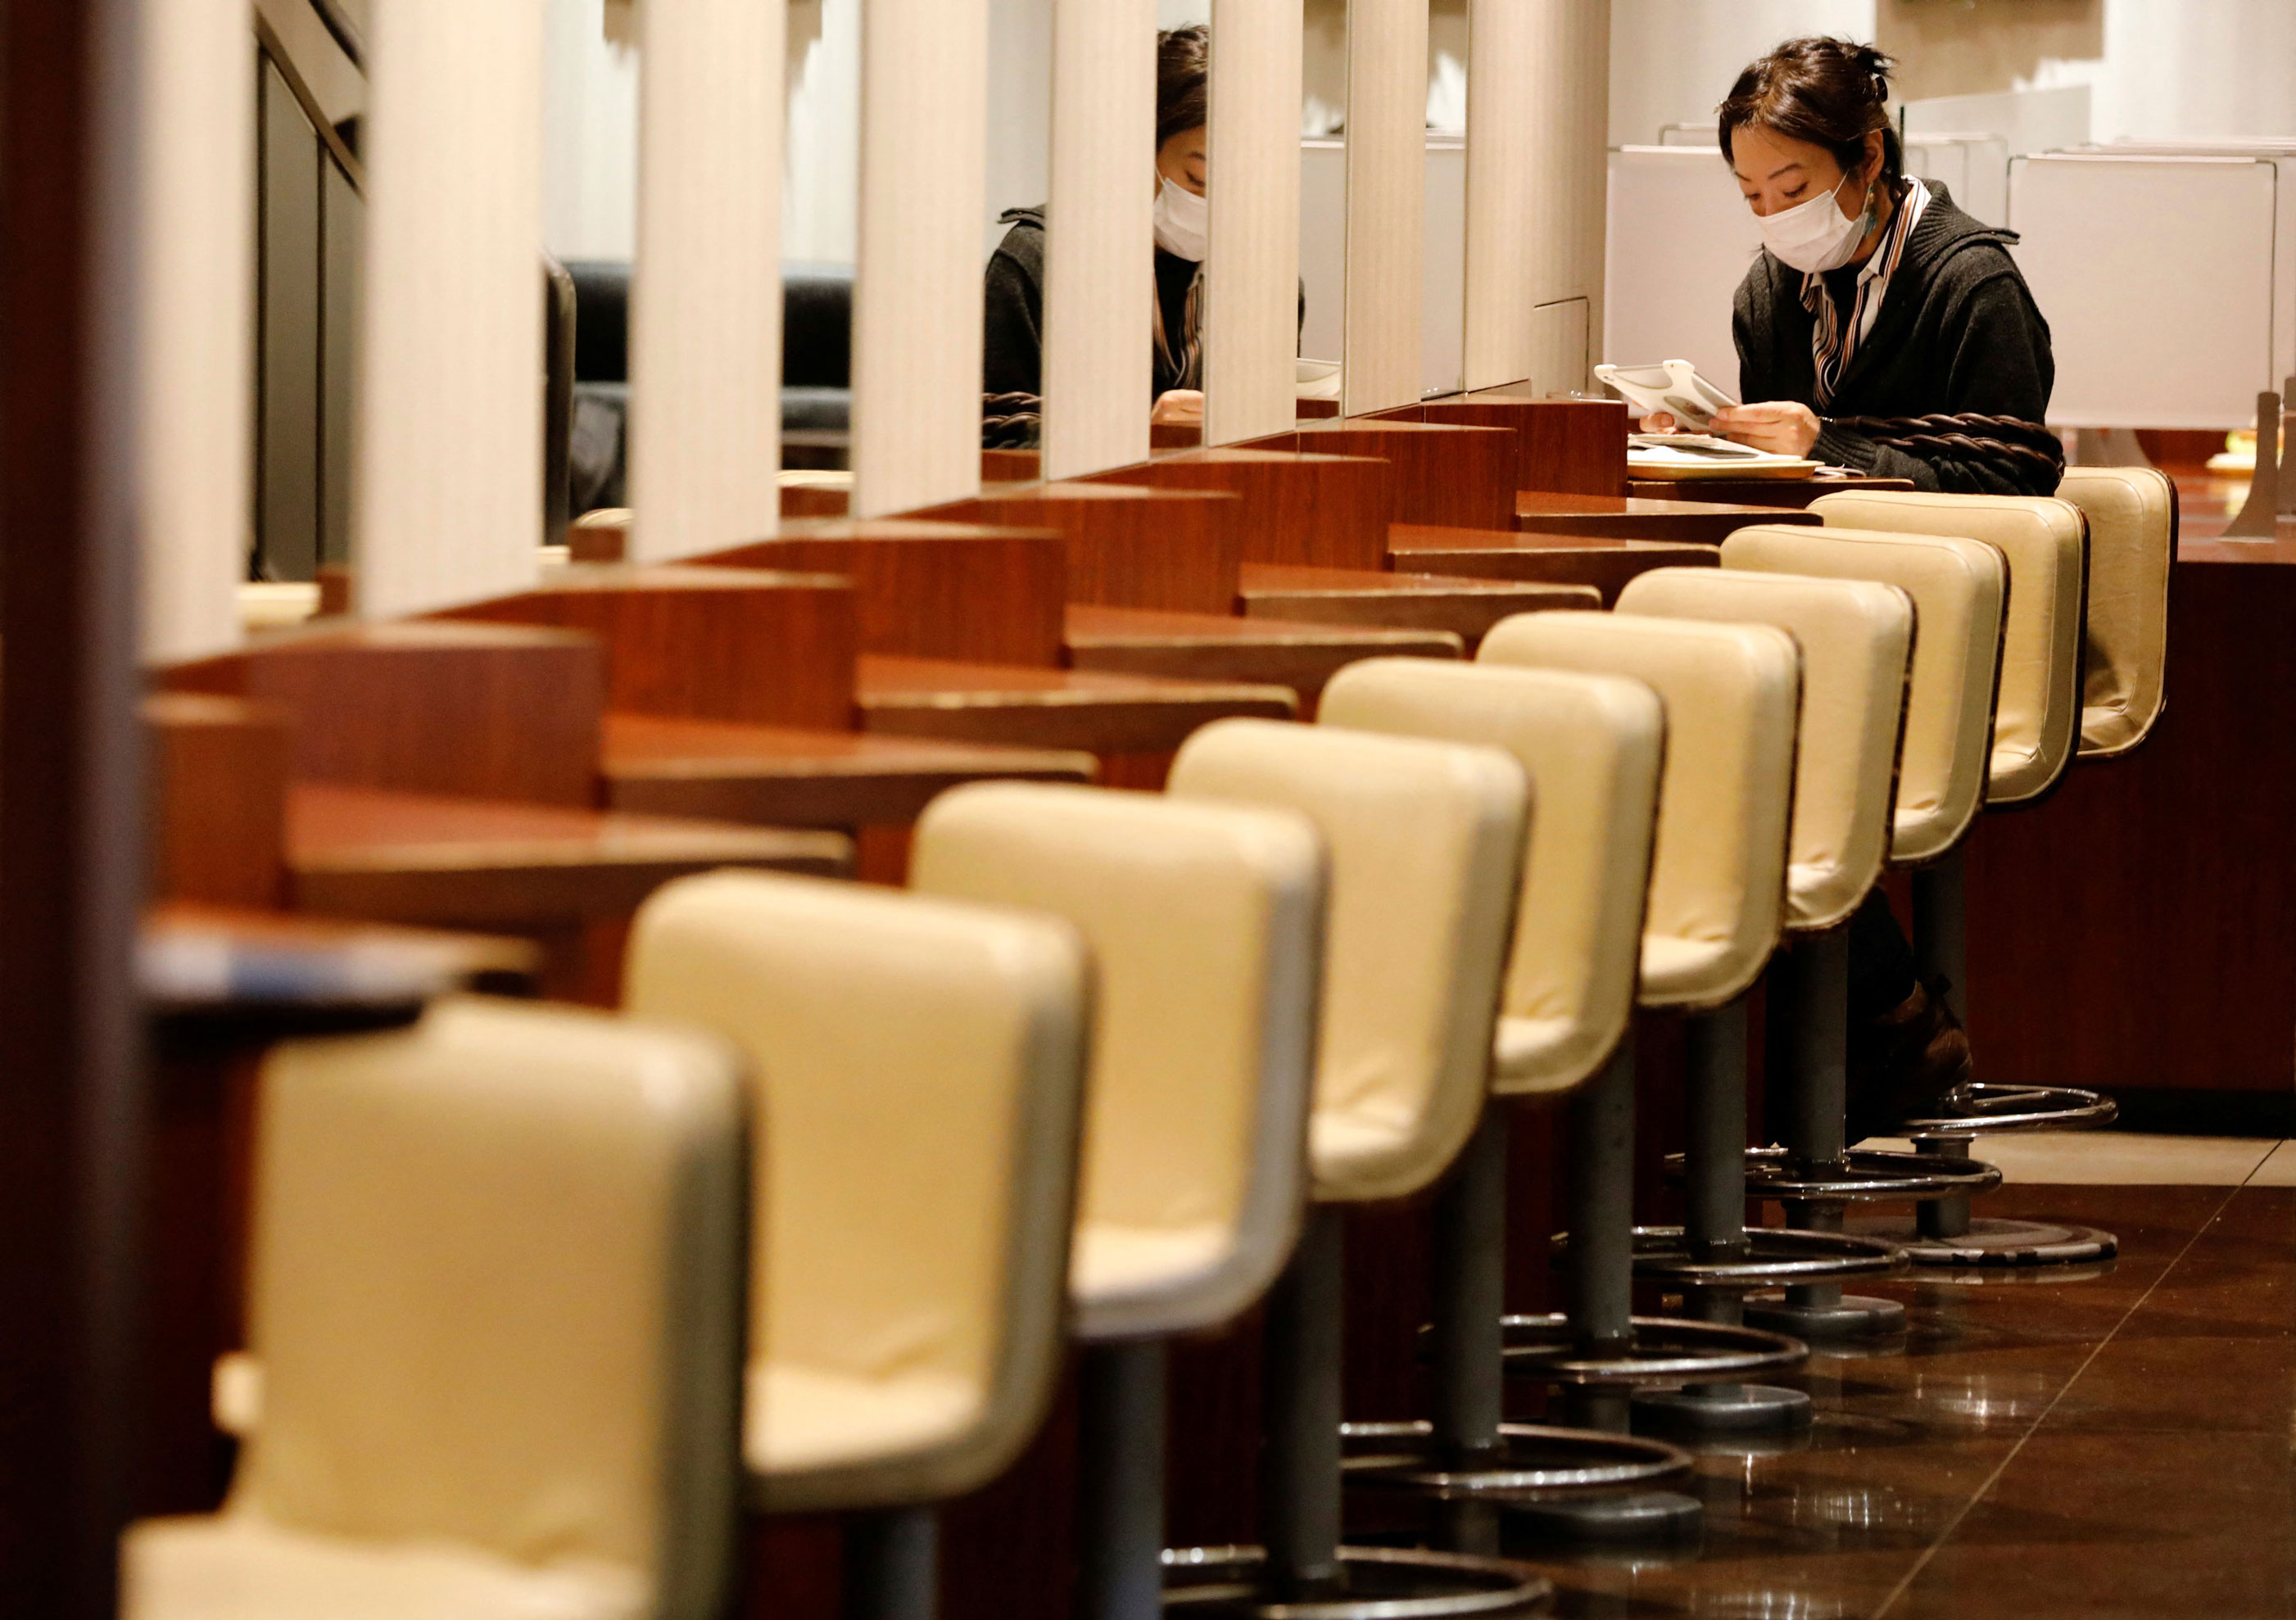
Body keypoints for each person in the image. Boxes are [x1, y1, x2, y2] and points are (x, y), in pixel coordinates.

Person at [1656, 38, 2064, 1135]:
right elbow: (1785, 482)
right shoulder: (1769, 292)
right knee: (1719, 726)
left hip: (1961, 620)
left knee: (1756, 739)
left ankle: (1879, 1035)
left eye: (1791, 186)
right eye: (1749, 194)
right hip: (1831, 609)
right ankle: (1859, 1044)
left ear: (1866, 156)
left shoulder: (1966, 277)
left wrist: (1825, 440)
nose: (1773, 214)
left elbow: (2014, 471)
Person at [981, 25, 1212, 444]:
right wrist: (1141, 433)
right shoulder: (1038, 261)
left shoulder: (1265, 282)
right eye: (1200, 179)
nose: (1220, 206)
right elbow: (995, 441)